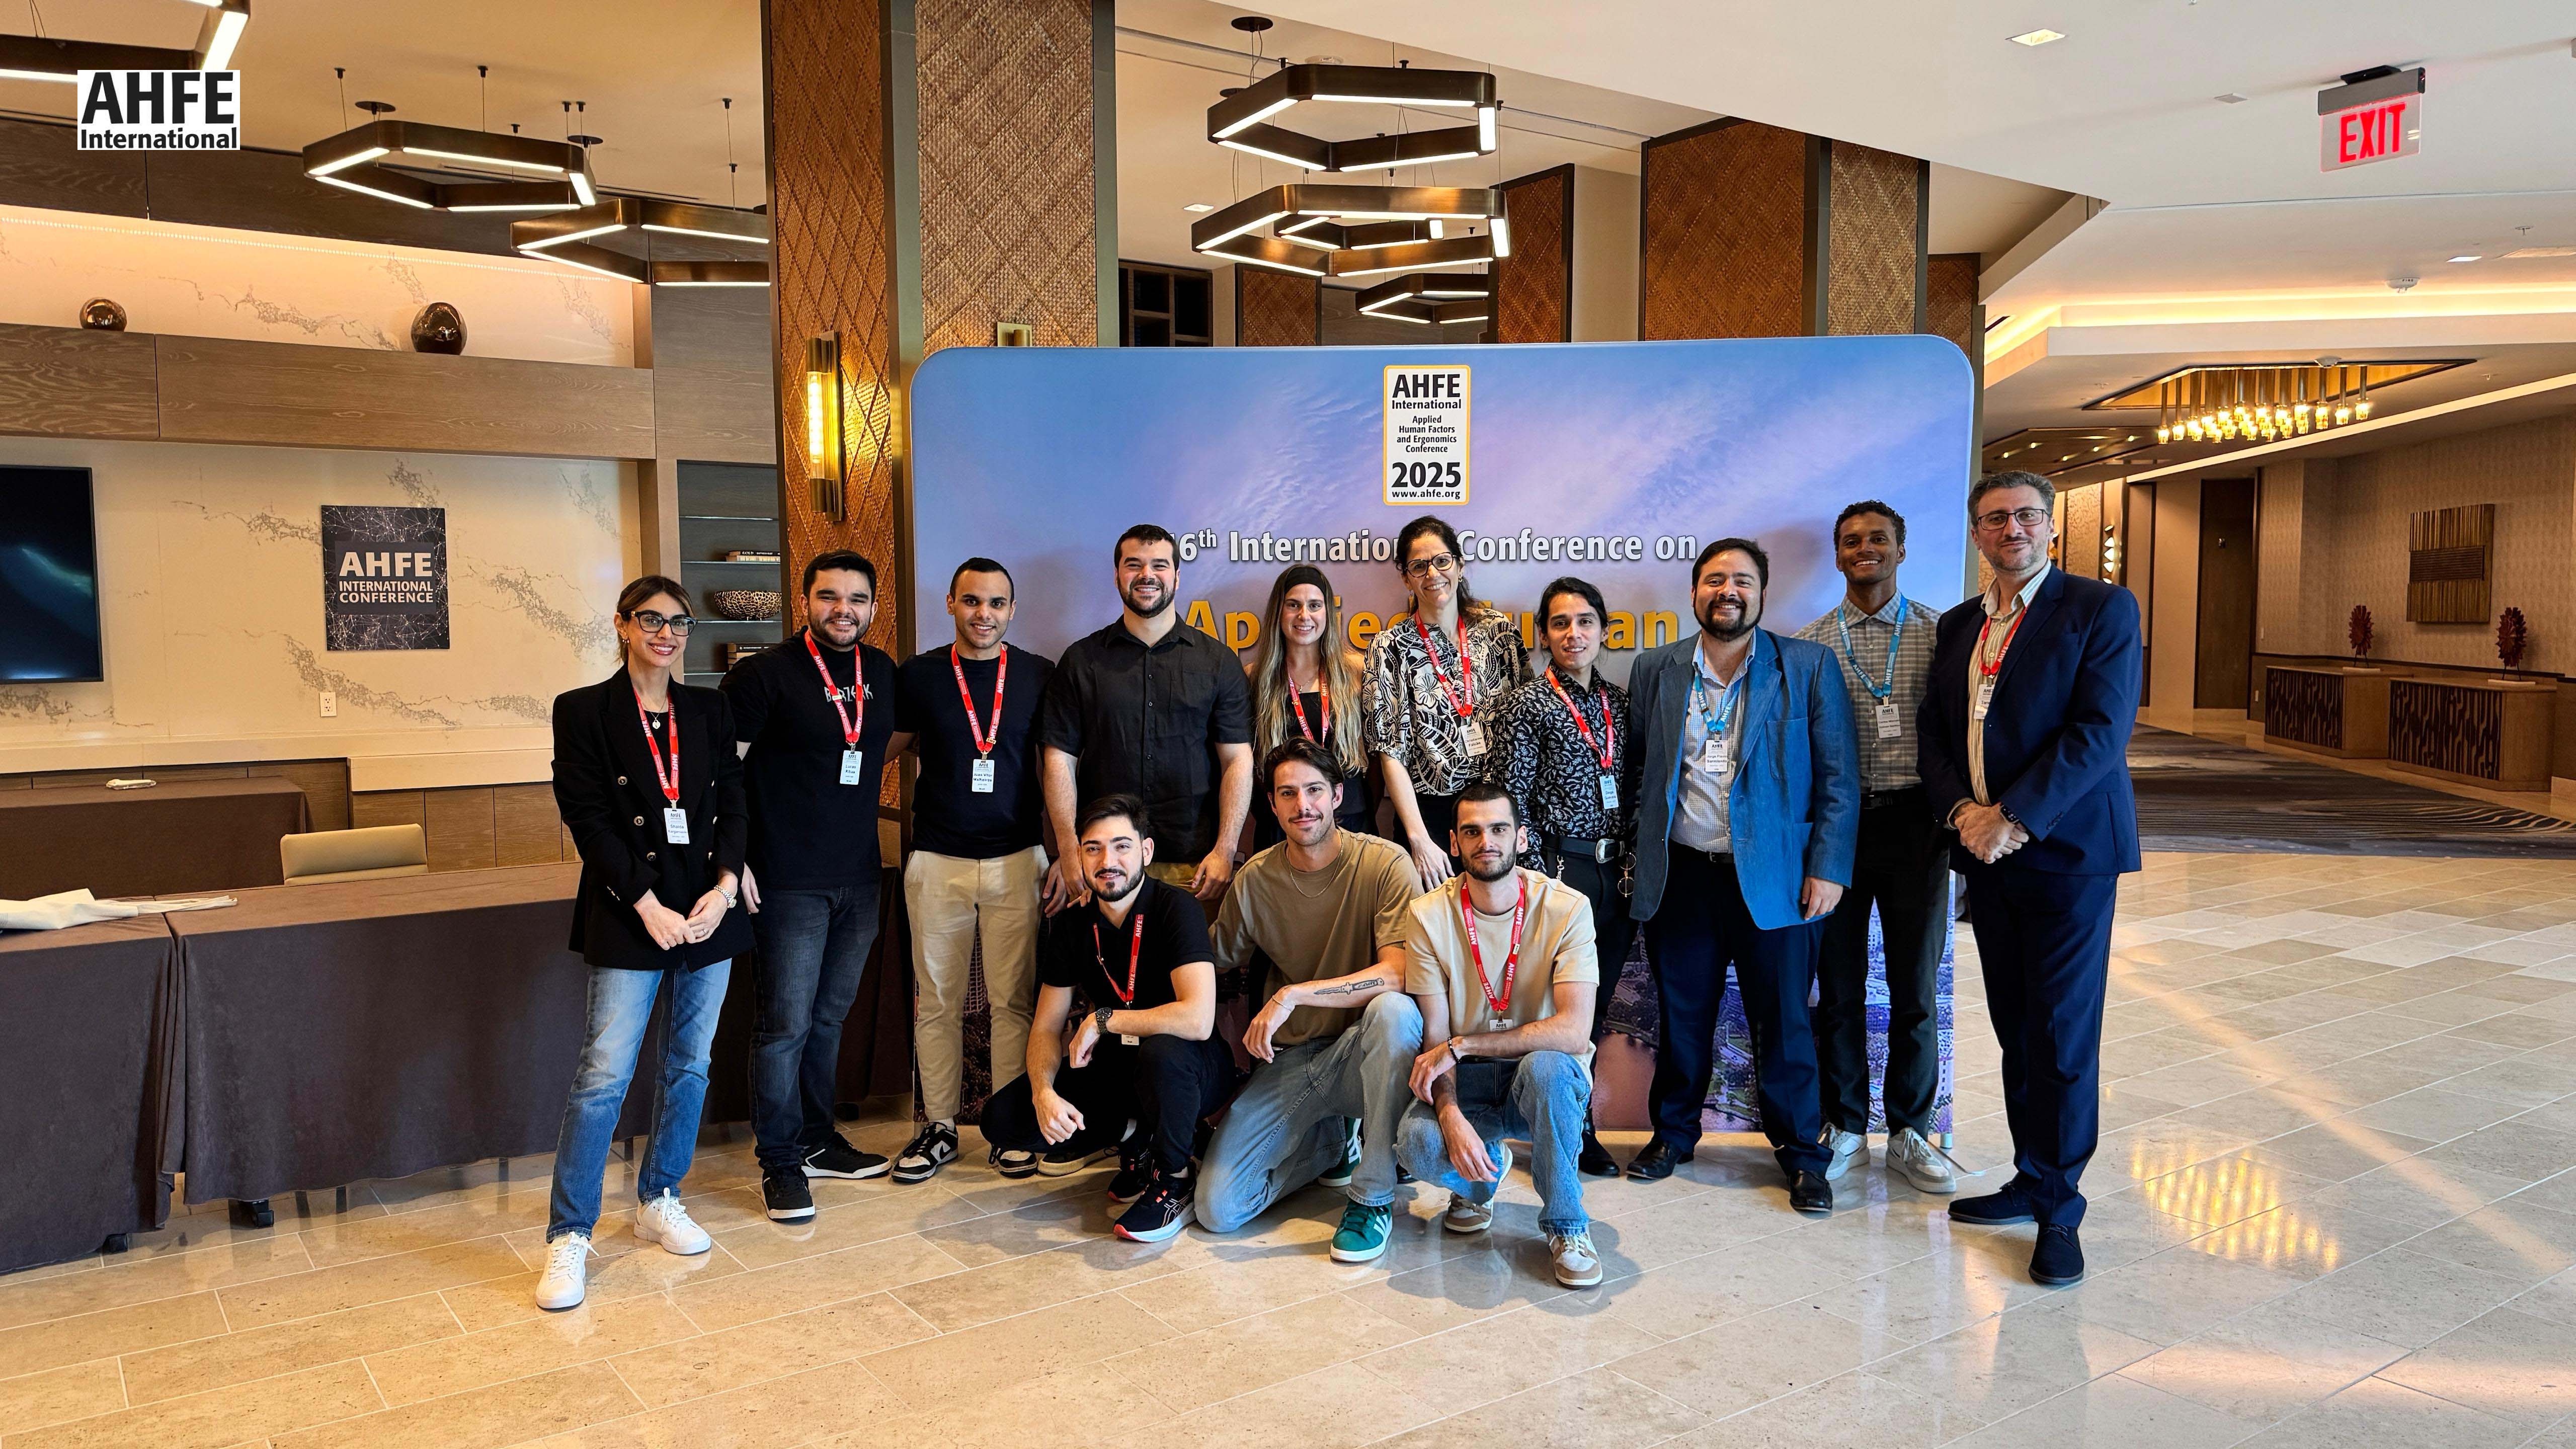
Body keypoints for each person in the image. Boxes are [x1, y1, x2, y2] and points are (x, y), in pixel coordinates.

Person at [1920, 471, 2141, 1289]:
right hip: (1987, 857)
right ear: (1977, 533)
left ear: (2050, 527)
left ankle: (2061, 1209)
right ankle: (2030, 1174)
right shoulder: (1960, 625)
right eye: (1993, 519)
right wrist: (1962, 814)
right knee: (2017, 1026)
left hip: (2065, 856)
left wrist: (2012, 816)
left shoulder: (2100, 609)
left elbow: (2100, 732)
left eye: (2024, 516)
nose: (2009, 529)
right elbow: (1935, 734)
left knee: (2062, 1034)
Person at [1621, 538, 1858, 1215]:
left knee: (1784, 1023)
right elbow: (1638, 770)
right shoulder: (1657, 668)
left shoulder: (1806, 666)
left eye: (1742, 581)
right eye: (1715, 580)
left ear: (1761, 593)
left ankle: (1802, 1155)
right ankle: (1673, 1136)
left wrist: (1828, 869)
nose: (1728, 591)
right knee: (1682, 1018)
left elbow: (1839, 779)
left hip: (1779, 881)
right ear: (1695, 592)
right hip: (1683, 878)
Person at [536, 576, 744, 1310]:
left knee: (690, 1065)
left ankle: (660, 1196)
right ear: (622, 626)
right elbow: (588, 819)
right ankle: (570, 1234)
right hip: (631, 911)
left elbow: (735, 803)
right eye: (651, 620)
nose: (666, 634)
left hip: (707, 912)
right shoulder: (582, 710)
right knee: (603, 1075)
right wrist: (647, 905)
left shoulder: (709, 709)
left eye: (679, 623)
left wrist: (726, 887)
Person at [721, 550, 899, 1222]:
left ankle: (818, 1140)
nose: (843, 610)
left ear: (873, 606)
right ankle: (780, 1162)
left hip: (858, 877)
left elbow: (880, 746)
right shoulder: (762, 675)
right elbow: (719, 772)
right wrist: (733, 859)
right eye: (829, 596)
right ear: (805, 601)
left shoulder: (880, 672)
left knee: (827, 1020)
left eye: (856, 599)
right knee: (784, 1028)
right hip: (786, 881)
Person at [1195, 739, 1423, 1261]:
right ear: (1272, 806)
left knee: (1394, 1013)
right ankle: (1330, 1146)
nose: (1303, 806)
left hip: (1366, 1055)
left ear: (1338, 796)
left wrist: (1294, 995)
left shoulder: (1384, 863)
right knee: (1218, 1208)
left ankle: (1372, 1194)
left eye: (1315, 791)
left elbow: (1399, 973)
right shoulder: (1256, 879)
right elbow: (1213, 957)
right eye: (1288, 794)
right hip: (1293, 1060)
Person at [978, 794, 1239, 1242]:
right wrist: (1043, 1092)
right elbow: (1046, 1027)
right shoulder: (1072, 923)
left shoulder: (1176, 908)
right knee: (1003, 1119)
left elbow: (1197, 1019)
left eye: (1122, 846)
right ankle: (1135, 1138)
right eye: (1093, 849)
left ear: (1146, 851)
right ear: (1079, 856)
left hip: (1192, 1066)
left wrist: (1103, 1020)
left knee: (1163, 1053)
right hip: (1121, 1068)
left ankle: (1175, 1179)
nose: (1107, 861)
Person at [1791, 503, 1956, 1196]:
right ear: (1837, 557)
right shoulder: (1810, 643)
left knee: (1915, 986)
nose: (1866, 549)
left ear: (1901, 550)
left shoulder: (1941, 634)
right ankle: (1847, 1126)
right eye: (1852, 542)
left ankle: (1911, 1130)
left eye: (1878, 539)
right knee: (1839, 988)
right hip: (1840, 827)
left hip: (1919, 823)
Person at [1395, 783, 1602, 1289]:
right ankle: (1481, 1180)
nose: (1485, 841)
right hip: (1464, 1079)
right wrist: (1449, 1115)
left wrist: (1465, 1045)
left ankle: (1568, 1227)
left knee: (1549, 1065)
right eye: (1471, 832)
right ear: (1453, 843)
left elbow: (1573, 1032)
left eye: (1498, 829)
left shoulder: (1567, 908)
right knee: (1416, 1143)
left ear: (1521, 839)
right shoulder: (1427, 916)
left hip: (1540, 1079)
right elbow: (1436, 1040)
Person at [887, 558, 1054, 1182]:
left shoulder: (1037, 675)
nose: (984, 614)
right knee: (936, 1002)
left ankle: (1008, 1127)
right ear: (951, 604)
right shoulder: (920, 675)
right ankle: (937, 1127)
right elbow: (881, 750)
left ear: (1012, 610)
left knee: (1013, 1002)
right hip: (938, 859)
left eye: (996, 603)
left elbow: (1055, 766)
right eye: (972, 601)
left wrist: (1064, 852)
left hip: (1017, 859)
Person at [1486, 576, 1636, 1179]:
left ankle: (1578, 1121)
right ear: (1544, 636)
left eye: (1584, 621)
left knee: (1592, 1011)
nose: (1573, 634)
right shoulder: (1526, 703)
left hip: (1614, 875)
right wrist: (1531, 884)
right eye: (1559, 623)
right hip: (1558, 872)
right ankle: (1565, 1129)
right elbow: (1509, 803)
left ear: (1603, 630)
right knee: (1556, 1007)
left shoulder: (1620, 704)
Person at [1042, 524, 1254, 910]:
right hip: (1102, 864)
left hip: (1195, 865)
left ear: (1177, 576)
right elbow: (1059, 759)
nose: (1146, 575)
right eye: (1133, 565)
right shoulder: (1081, 661)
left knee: (1192, 953)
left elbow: (1237, 760)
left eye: (1159, 565)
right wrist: (1069, 849)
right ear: (1117, 575)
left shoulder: (1218, 663)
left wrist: (1226, 849)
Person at [1364, 515, 1534, 893]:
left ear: (1459, 564)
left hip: (1497, 815)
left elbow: (1526, 721)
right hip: (1431, 818)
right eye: (1419, 566)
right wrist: (1419, 839)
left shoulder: (1499, 632)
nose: (1433, 574)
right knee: (1436, 924)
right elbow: (1390, 753)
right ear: (1406, 578)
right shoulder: (1390, 648)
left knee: (1498, 920)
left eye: (1442, 561)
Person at [1243, 564, 1374, 851]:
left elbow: (1380, 754)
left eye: (1315, 605)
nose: (1304, 615)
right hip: (1282, 827)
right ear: (1279, 612)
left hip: (1348, 821)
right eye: (1293, 605)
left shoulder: (1356, 671)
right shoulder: (1255, 678)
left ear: (1328, 612)